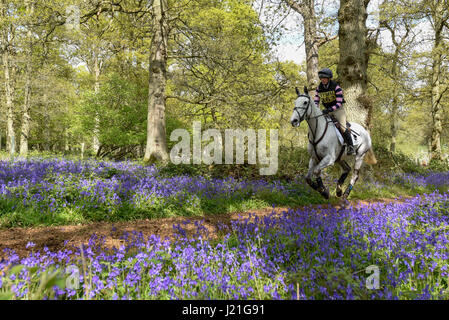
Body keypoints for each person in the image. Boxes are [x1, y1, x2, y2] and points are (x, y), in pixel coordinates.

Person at [314, 68, 355, 155]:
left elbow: (339, 102)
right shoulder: (319, 88)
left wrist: (330, 109)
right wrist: (316, 110)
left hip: (338, 109)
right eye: (321, 78)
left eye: (324, 78)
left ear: (329, 78)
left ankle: (351, 146)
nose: (323, 80)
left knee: (343, 127)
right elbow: (316, 101)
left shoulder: (336, 87)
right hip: (326, 110)